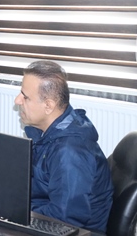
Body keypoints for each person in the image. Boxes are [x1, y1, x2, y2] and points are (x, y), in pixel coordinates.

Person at [15, 60, 113, 232]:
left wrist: (16, 212)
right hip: (44, 214)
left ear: (48, 106)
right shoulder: (47, 133)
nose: (17, 100)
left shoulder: (70, 152)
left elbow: (64, 217)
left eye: (25, 97)